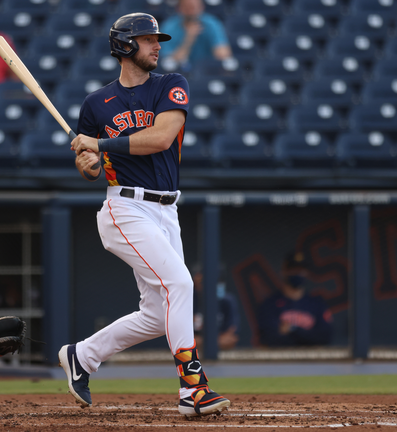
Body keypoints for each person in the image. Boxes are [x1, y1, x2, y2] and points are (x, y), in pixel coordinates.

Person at [62, 13, 231, 417]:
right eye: (147, 39)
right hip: (125, 207)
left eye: (157, 39)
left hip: (166, 210)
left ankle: (82, 356)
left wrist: (98, 144)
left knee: (158, 314)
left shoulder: (171, 85)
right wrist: (87, 161)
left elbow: (160, 138)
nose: (157, 45)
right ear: (124, 45)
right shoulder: (96, 104)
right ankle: (193, 388)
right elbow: (90, 169)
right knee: (180, 282)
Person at [257, 252, 333, 346]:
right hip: (282, 359)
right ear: (284, 272)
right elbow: (269, 338)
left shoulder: (317, 304)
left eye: (301, 270)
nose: (298, 273)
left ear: (306, 272)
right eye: (294, 270)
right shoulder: (270, 304)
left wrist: (293, 330)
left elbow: (325, 337)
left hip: (311, 359)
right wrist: (307, 335)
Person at [159, 0, 232, 70]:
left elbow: (223, 54)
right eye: (187, 7)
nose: (192, 11)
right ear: (179, 8)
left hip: (206, 70)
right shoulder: (169, 27)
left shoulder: (212, 24)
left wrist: (213, 43)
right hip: (180, 72)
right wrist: (189, 38)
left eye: (195, 7)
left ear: (202, 7)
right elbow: (170, 62)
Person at [191, 268, 240, 351]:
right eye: (199, 282)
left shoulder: (226, 300)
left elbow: (232, 337)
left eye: (204, 281)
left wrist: (207, 342)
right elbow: (183, 339)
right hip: (193, 352)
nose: (201, 285)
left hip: (223, 351)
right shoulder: (189, 300)